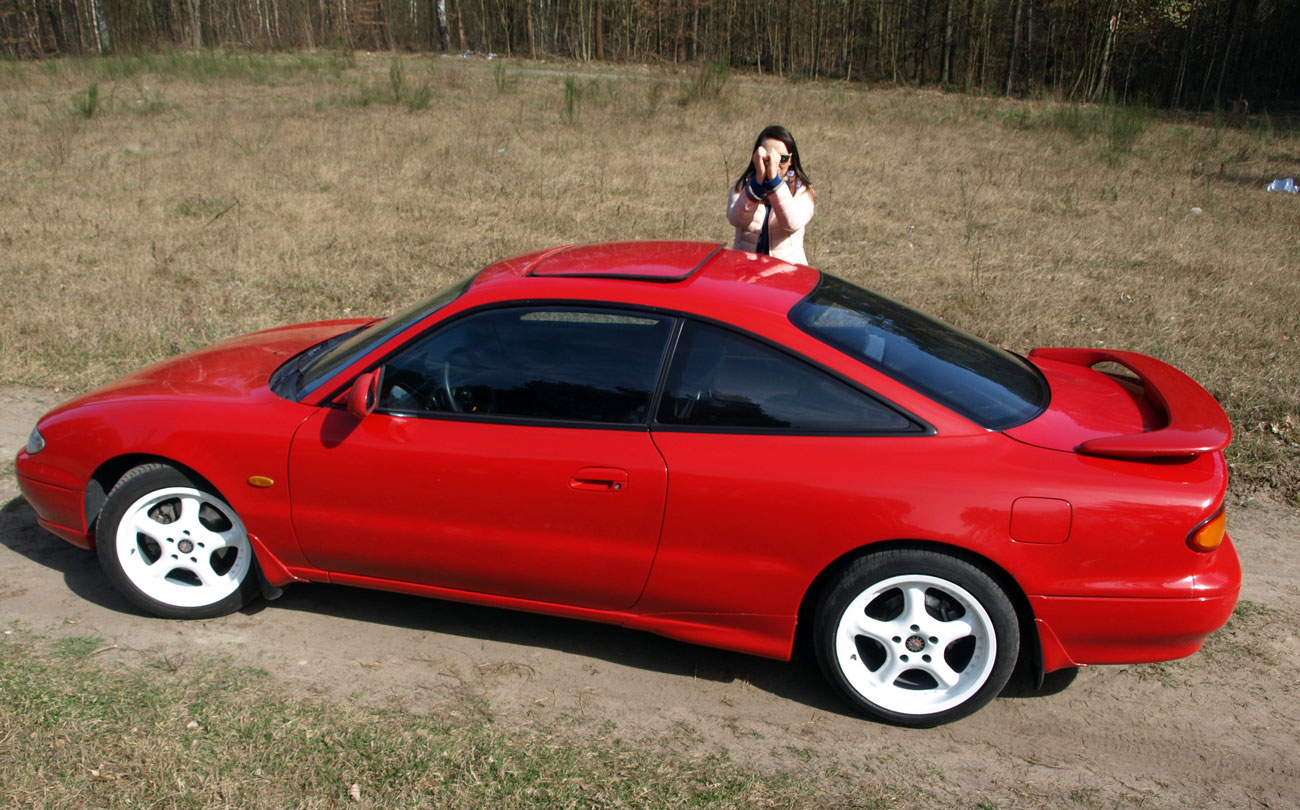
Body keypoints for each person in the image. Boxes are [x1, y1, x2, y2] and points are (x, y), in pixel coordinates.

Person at [727, 125, 815, 265]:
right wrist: (757, 183)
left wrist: (774, 183)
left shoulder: (802, 190)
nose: (774, 164)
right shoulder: (743, 185)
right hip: (746, 269)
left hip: (786, 272)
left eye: (782, 159)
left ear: (791, 160)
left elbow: (791, 223)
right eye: (767, 159)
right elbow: (736, 220)